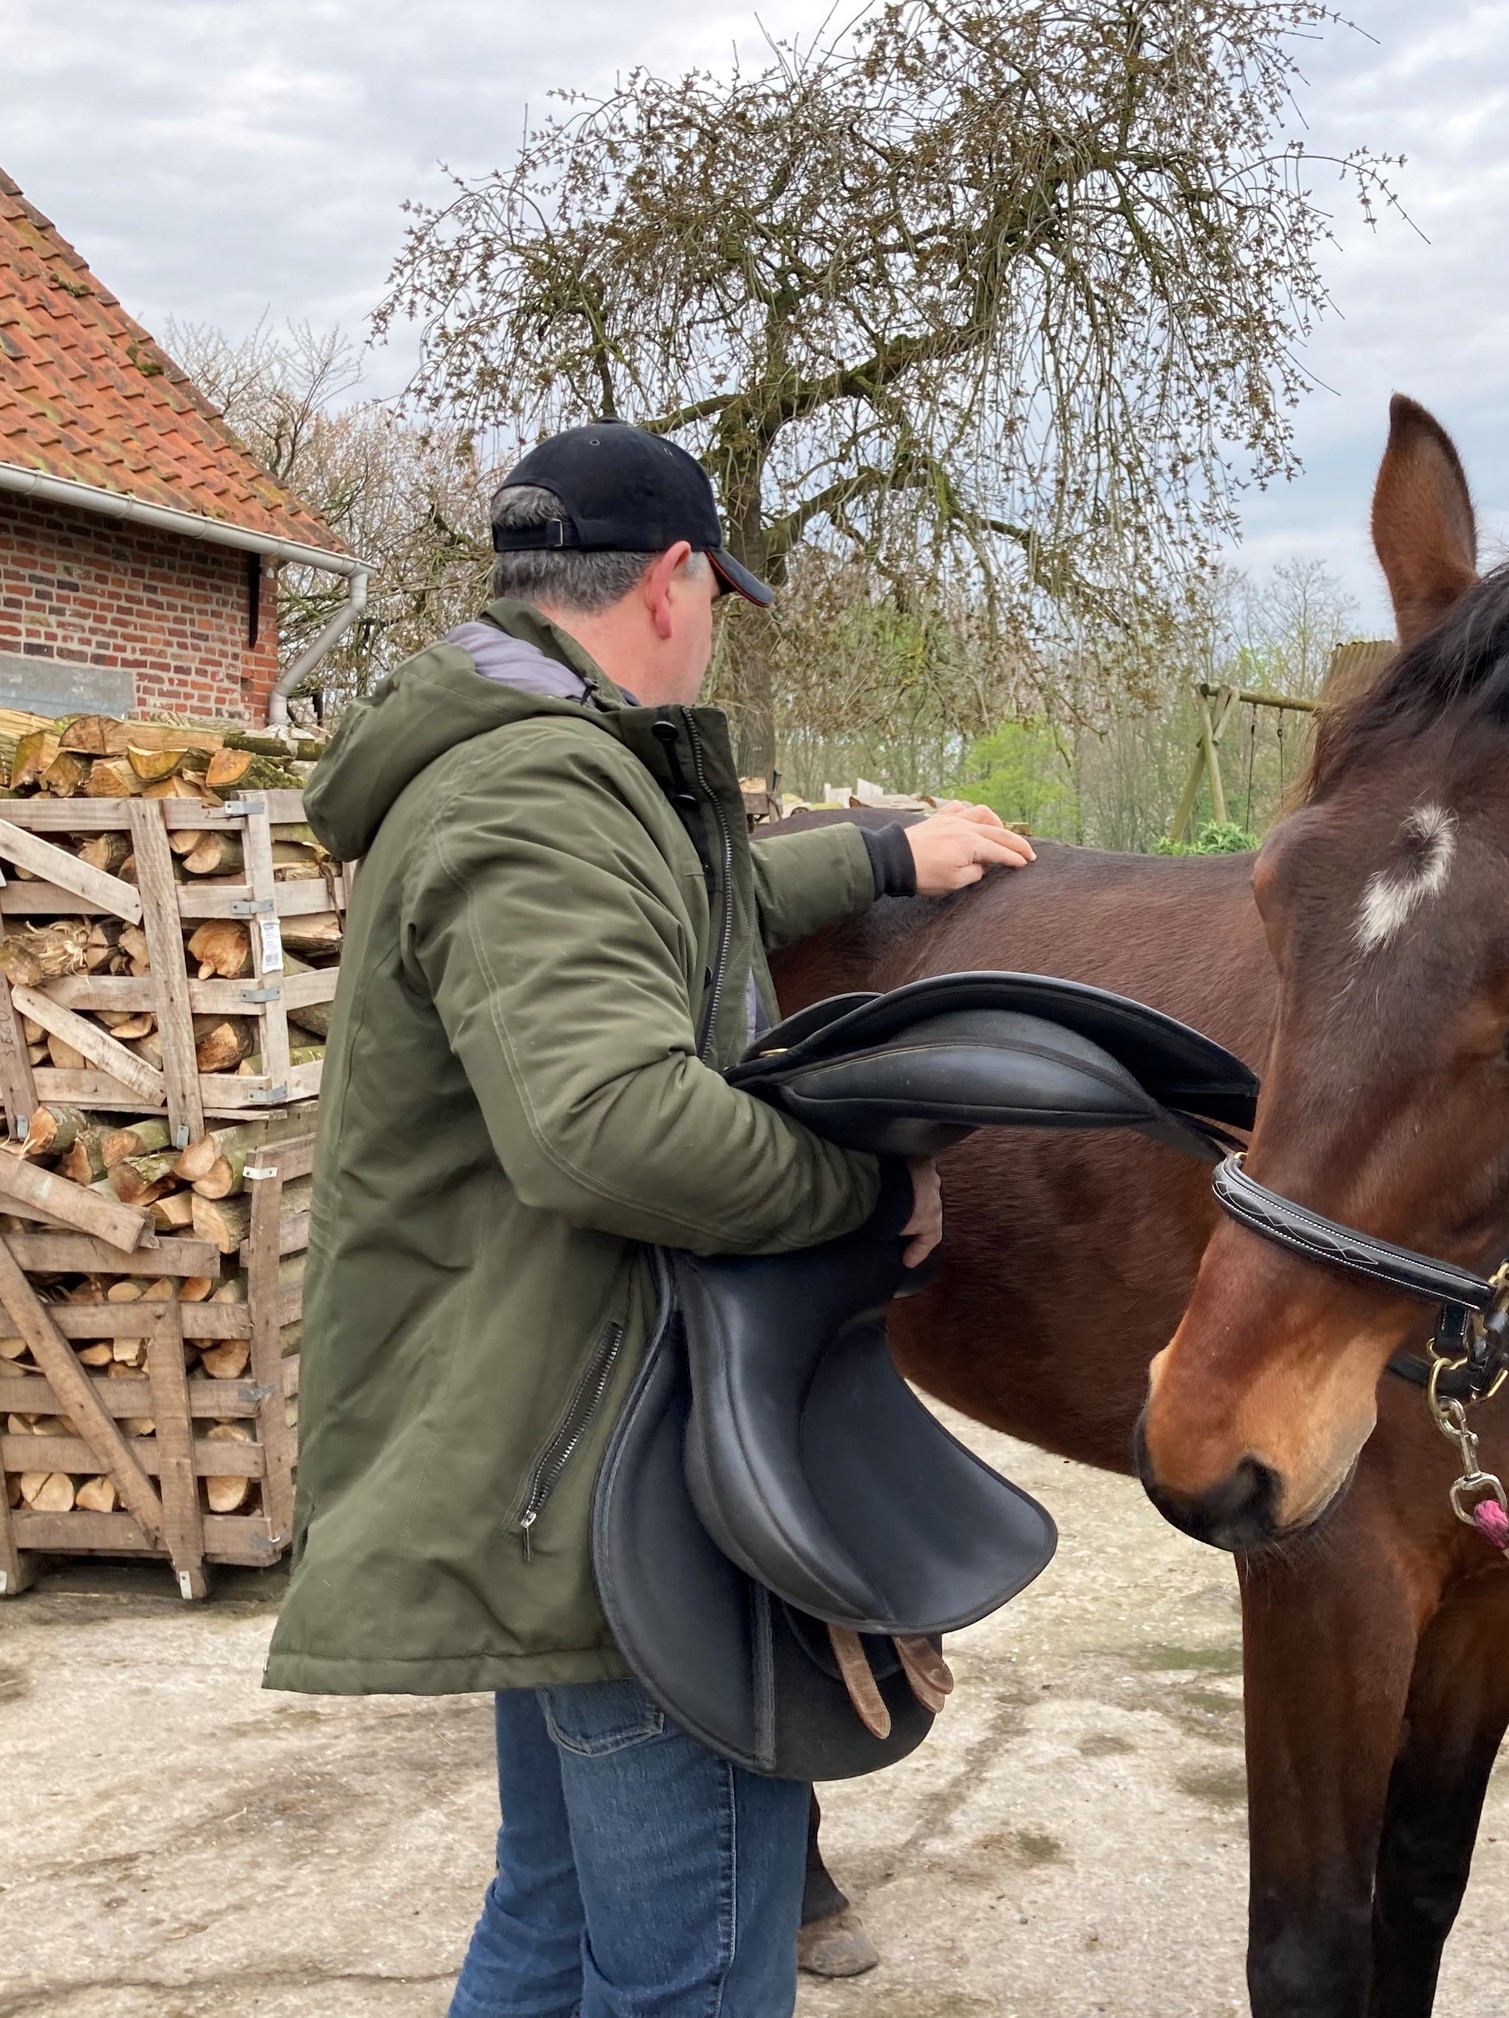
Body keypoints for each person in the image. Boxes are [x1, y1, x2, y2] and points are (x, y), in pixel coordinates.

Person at [262, 420, 1035, 2016]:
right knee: (697, 1972)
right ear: (677, 578)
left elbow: (691, 898)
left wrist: (888, 848)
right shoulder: (541, 789)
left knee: (551, 1928)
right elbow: (606, 1128)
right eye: (720, 596)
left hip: (544, 1454)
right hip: (610, 1485)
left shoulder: (528, 759)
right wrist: (866, 1188)